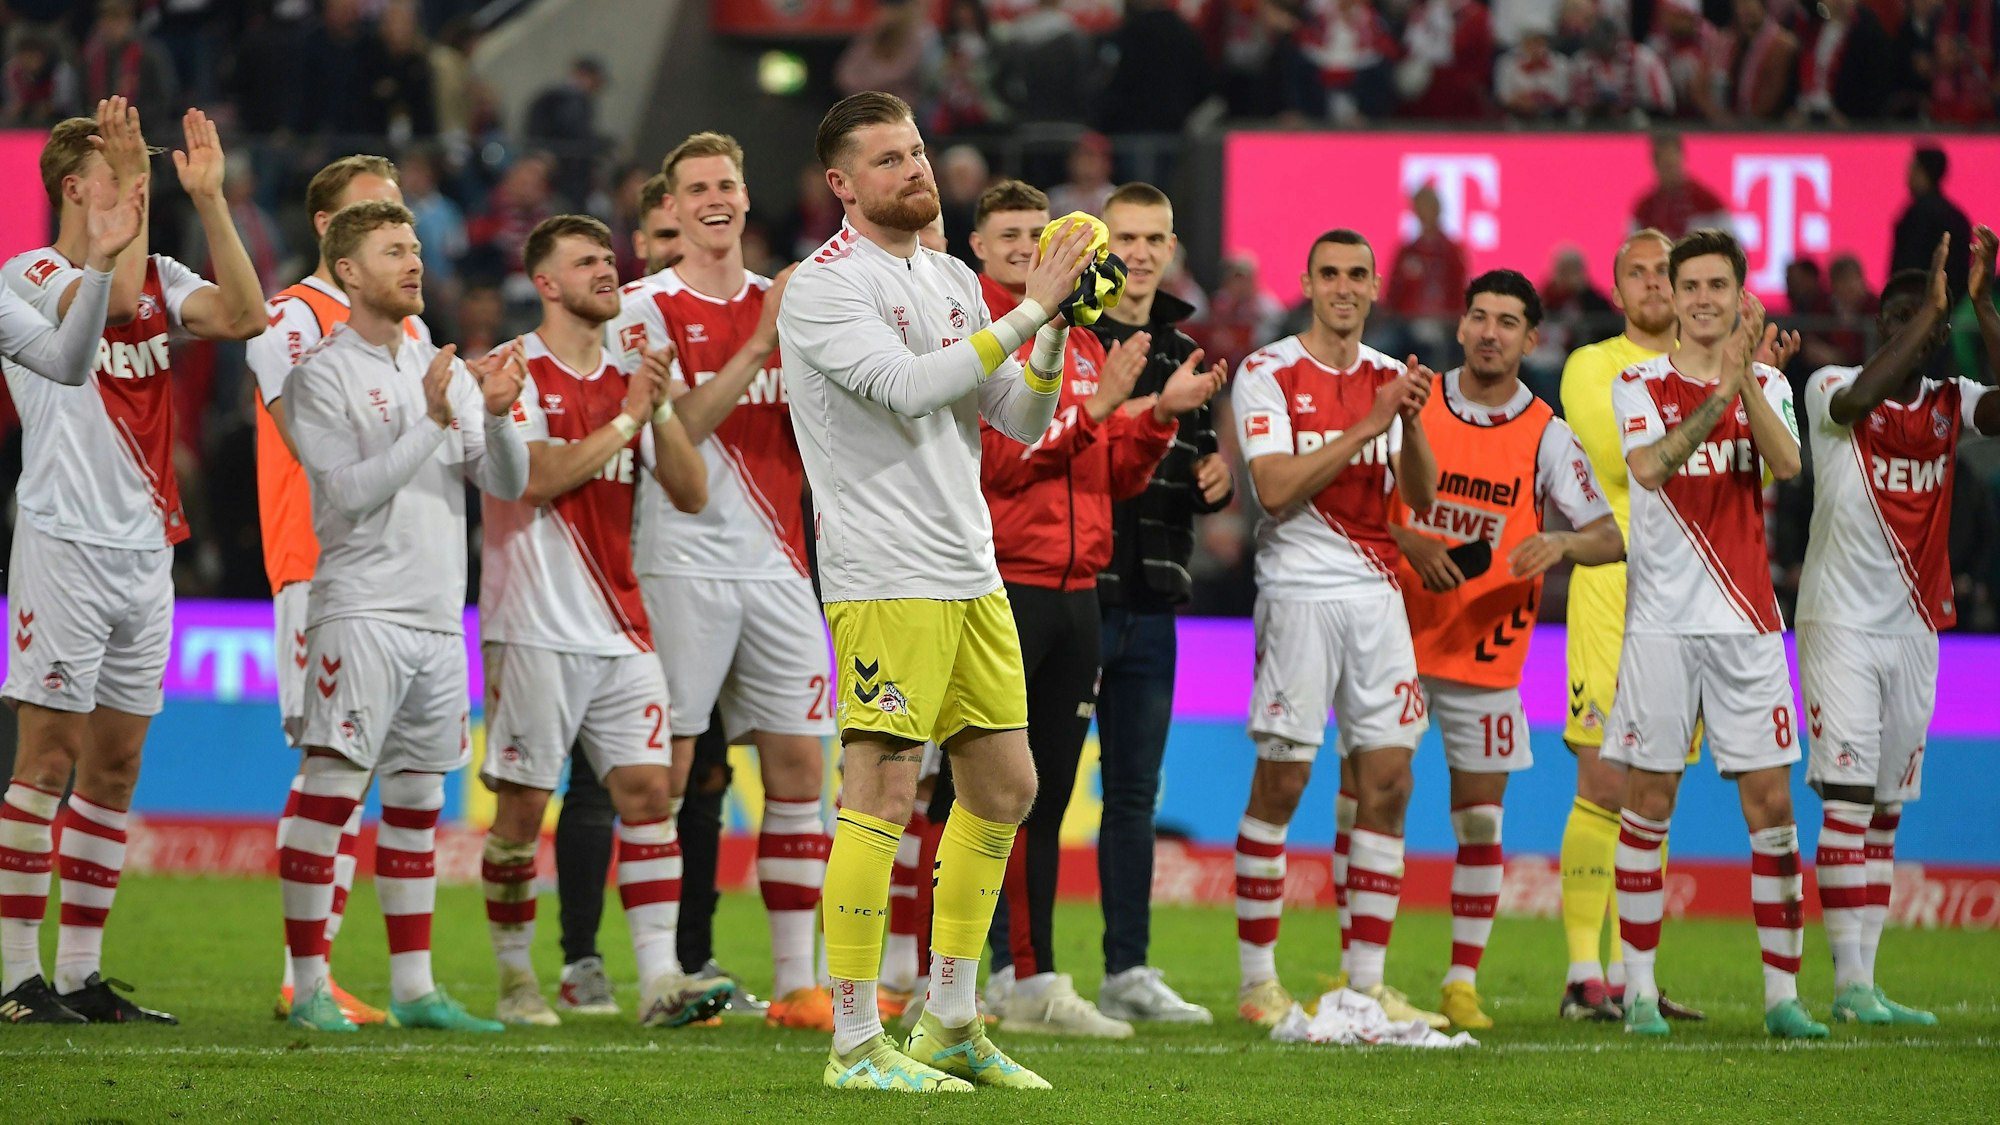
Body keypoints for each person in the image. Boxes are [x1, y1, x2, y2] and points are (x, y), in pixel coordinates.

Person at [778, 90, 1095, 1093]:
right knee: (877, 789)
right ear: (841, 184)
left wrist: (1050, 331)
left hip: (967, 568)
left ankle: (950, 1021)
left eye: (916, 152)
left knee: (1005, 786)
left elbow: (1018, 420)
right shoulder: (821, 287)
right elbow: (914, 388)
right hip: (882, 574)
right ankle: (853, 1041)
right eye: (886, 161)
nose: (914, 171)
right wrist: (1035, 304)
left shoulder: (951, 276)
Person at [0, 101, 264, 1027]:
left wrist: (213, 200)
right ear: (76, 187)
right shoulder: (27, 273)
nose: (137, 187)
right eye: (119, 170)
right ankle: (12, 979)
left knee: (115, 768)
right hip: (65, 540)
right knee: (47, 759)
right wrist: (118, 241)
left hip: (147, 548)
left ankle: (79, 974)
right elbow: (104, 305)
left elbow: (246, 313)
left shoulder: (158, 274)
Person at [967, 180, 1222, 1037]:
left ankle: (1020, 978)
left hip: (1079, 588)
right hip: (1013, 587)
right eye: (1015, 235)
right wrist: (1107, 410)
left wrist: (1154, 422)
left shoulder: (1073, 339)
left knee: (1036, 797)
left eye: (1042, 234)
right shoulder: (994, 343)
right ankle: (992, 972)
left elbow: (1110, 474)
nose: (1032, 247)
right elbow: (1003, 470)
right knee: (984, 794)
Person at [274, 200, 529, 1034]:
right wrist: (431, 419)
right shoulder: (320, 374)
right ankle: (308, 985)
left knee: (419, 800)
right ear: (349, 270)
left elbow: (505, 483)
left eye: (416, 248)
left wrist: (491, 411)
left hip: (432, 616)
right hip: (360, 609)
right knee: (333, 788)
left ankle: (415, 987)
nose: (415, 262)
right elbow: (345, 492)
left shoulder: (438, 364)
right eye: (394, 250)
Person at [608, 131, 836, 1031]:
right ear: (670, 206)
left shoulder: (795, 300)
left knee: (796, 768)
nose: (714, 199)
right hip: (682, 562)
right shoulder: (644, 310)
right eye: (696, 186)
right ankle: (660, 974)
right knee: (663, 777)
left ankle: (798, 984)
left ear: (746, 199)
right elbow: (679, 440)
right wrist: (756, 346)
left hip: (782, 565)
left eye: (727, 185)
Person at [477, 214, 722, 1029]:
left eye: (608, 260)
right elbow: (536, 477)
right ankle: (516, 977)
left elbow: (692, 491)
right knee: (520, 809)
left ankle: (658, 980)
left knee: (650, 791)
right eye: (586, 262)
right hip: (535, 622)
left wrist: (653, 411)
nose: (608, 271)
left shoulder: (631, 373)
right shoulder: (513, 369)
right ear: (545, 283)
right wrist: (624, 418)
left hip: (622, 621)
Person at [1387, 270, 1624, 1030]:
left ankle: (1461, 982)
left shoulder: (1548, 433)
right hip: (1392, 639)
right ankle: (1364, 973)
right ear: (1459, 327)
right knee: (1371, 801)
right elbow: (1366, 505)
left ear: (1531, 338)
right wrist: (1403, 536)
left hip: (1487, 656)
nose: (1491, 332)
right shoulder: (1410, 400)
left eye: (1508, 322)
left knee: (1480, 822)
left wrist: (1558, 537)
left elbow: (1611, 534)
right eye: (1480, 317)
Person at [1607, 228, 1822, 1040]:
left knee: (1771, 808)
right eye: (1687, 285)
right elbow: (1652, 467)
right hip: (1661, 625)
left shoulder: (1765, 378)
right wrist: (1720, 390)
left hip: (1749, 625)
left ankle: (1781, 997)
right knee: (1649, 802)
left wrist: (1747, 383)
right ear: (1675, 296)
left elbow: (1788, 466)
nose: (1701, 298)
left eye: (1715, 286)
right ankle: (1637, 991)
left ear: (1739, 296)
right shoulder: (1638, 382)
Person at [1229, 228, 1444, 1031]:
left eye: (1358, 274)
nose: (1344, 287)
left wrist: (1411, 424)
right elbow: (1276, 489)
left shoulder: (1394, 378)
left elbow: (1416, 495)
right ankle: (1258, 982)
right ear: (1308, 282)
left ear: (1375, 285)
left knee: (1388, 782)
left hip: (1378, 594)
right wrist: (1370, 425)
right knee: (1282, 783)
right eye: (1330, 274)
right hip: (1298, 594)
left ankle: (1366, 980)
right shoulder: (1269, 372)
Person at [1800, 229, 2000, 1028]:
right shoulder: (1830, 386)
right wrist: (1930, 318)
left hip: (1916, 628)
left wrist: (1981, 310)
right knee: (1847, 797)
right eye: (1893, 316)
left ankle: (1868, 985)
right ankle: (1846, 983)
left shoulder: (1952, 404)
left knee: (1885, 807)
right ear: (1878, 326)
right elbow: (1858, 402)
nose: (1903, 327)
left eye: (1916, 317)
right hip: (1840, 622)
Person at [249, 153, 424, 1028]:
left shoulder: (406, 327)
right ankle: (300, 974)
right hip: (320, 565)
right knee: (328, 768)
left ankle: (322, 975)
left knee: (361, 777)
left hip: (400, 579)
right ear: (330, 231)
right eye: (378, 218)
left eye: (403, 218)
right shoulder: (289, 316)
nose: (402, 238)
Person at [1085, 181, 1232, 1025]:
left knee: (1135, 792)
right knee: (1024, 790)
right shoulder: (1066, 335)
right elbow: (1064, 438)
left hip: (1152, 599)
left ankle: (1126, 970)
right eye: (1125, 237)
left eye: (1153, 238)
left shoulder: (1186, 349)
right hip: (1073, 594)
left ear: (1172, 248)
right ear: (1101, 246)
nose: (1139, 252)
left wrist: (1212, 482)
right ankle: (1006, 967)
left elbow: (1195, 461)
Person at [1891, 146, 1972, 300]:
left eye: (1912, 168)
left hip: (1917, 303)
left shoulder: (1917, 214)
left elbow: (1908, 264)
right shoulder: (1957, 216)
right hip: (1952, 304)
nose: (1907, 175)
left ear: (1922, 172)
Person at [1631, 132, 1730, 241]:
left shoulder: (1705, 202)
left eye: (1672, 165)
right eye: (1665, 165)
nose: (1669, 172)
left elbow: (1733, 243)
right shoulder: (1645, 209)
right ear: (1655, 164)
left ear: (1681, 159)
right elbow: (1631, 249)